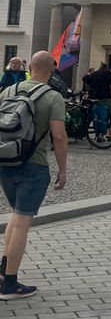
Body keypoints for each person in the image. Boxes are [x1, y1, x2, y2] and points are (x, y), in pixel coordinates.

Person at [0, 51, 67, 301]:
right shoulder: (52, 97)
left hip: (5, 162)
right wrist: (62, 169)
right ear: (51, 70)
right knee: (21, 222)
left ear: (30, 67)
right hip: (33, 165)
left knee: (15, 218)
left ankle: (3, 271)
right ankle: (10, 285)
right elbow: (59, 137)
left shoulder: (8, 90)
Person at [87, 63, 111, 143]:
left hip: (95, 97)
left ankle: (98, 134)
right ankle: (109, 134)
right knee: (109, 115)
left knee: (97, 115)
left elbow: (87, 82)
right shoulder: (108, 73)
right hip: (106, 97)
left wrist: (90, 92)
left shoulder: (95, 74)